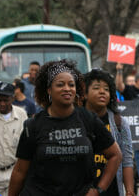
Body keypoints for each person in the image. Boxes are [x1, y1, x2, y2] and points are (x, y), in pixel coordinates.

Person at [8, 59, 122, 196]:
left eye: (71, 85)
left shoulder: (88, 119)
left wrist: (98, 190)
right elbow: (20, 171)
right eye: (60, 85)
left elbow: (115, 155)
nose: (67, 88)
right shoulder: (34, 125)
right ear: (49, 90)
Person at [84, 69, 134, 196]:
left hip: (111, 191)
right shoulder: (75, 119)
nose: (102, 92)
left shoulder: (120, 123)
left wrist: (129, 191)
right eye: (96, 88)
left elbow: (127, 160)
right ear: (84, 93)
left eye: (106, 89)